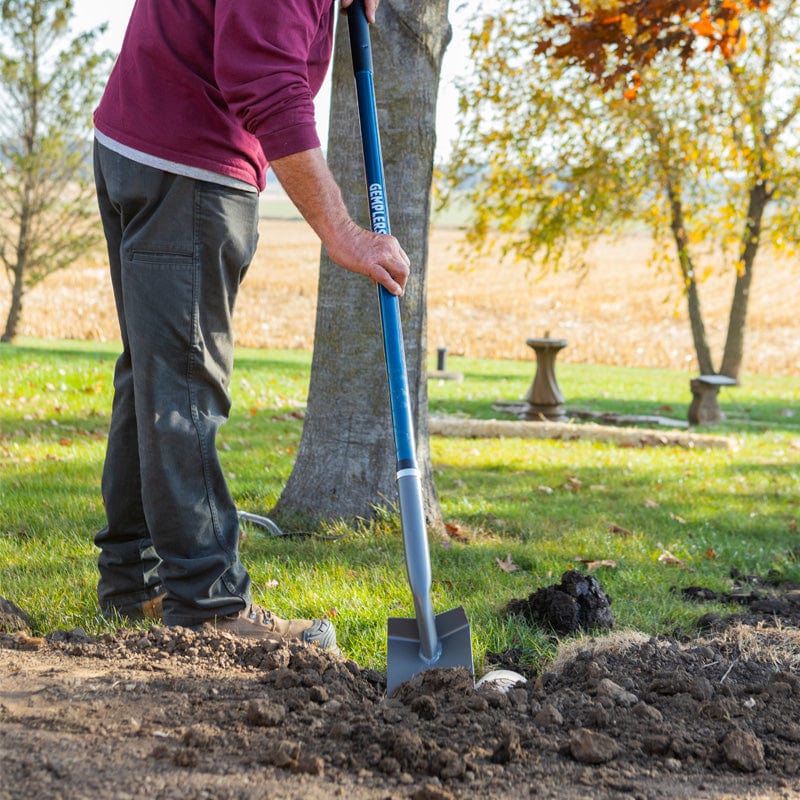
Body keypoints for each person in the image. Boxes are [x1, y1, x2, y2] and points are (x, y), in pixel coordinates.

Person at [92, 0, 409, 650]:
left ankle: (135, 581)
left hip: (138, 139)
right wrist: (343, 233)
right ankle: (207, 602)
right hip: (189, 164)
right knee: (182, 385)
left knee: (153, 375)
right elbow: (264, 82)